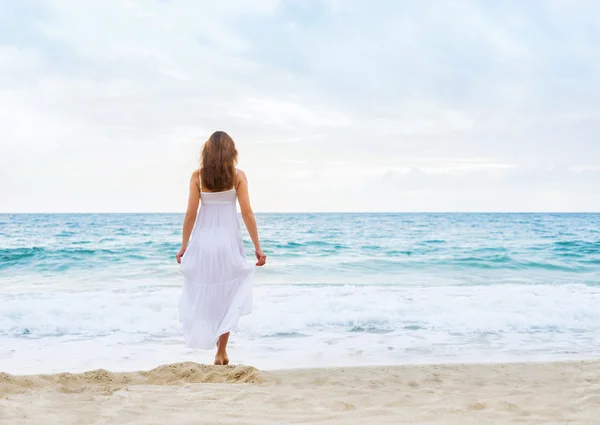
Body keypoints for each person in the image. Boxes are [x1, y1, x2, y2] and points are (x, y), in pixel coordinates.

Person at [176, 131, 266, 365]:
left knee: (207, 294)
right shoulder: (238, 176)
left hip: (203, 245)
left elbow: (190, 215)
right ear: (231, 152)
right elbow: (247, 213)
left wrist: (184, 246)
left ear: (206, 152)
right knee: (228, 295)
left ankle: (216, 346)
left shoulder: (197, 177)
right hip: (228, 243)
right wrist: (258, 247)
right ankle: (221, 351)